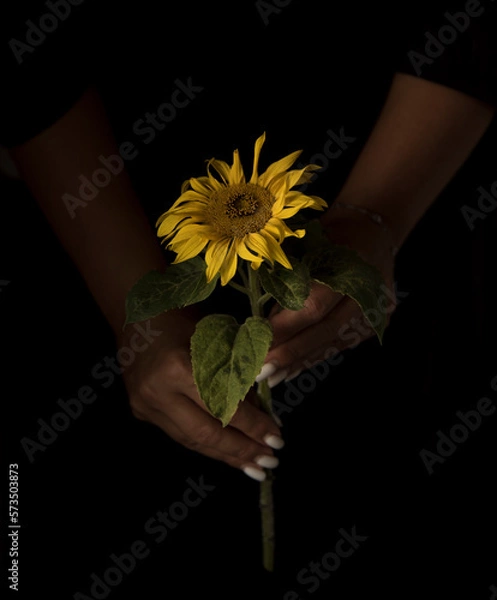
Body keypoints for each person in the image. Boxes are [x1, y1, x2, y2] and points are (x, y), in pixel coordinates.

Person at [1, 0, 495, 484]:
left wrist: (376, 216)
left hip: (414, 164)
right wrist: (139, 312)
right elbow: (32, 67)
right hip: (100, 211)